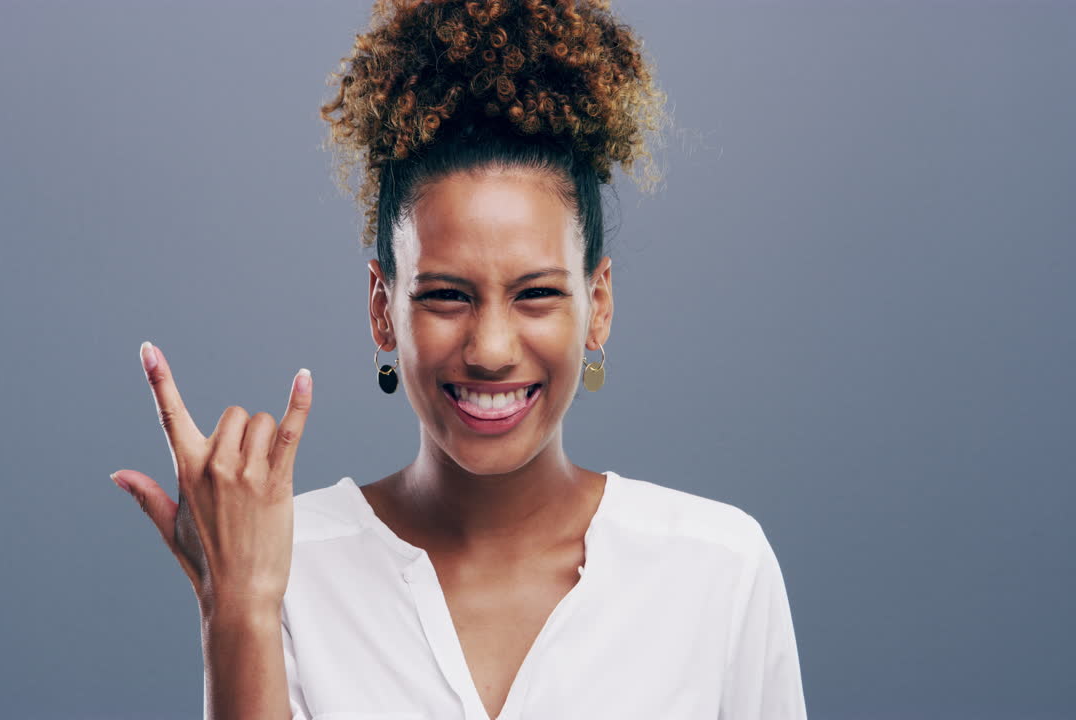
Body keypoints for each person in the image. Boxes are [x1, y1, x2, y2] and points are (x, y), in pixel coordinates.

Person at [110, 1, 807, 718]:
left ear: (597, 304)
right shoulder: (281, 564)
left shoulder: (718, 569)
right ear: (383, 306)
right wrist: (239, 606)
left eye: (536, 294)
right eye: (446, 296)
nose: (492, 350)